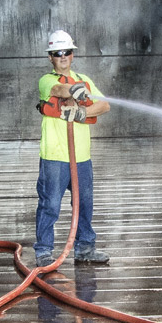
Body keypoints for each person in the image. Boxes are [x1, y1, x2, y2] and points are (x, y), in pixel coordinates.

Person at [34, 29, 112, 267]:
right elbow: (58, 90)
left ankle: (85, 248)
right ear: (50, 57)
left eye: (67, 51)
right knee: (50, 205)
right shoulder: (46, 80)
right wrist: (73, 91)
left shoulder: (85, 79)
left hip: (82, 158)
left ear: (72, 54)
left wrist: (82, 112)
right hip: (55, 156)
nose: (63, 56)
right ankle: (44, 252)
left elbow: (105, 105)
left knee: (85, 204)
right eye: (57, 53)